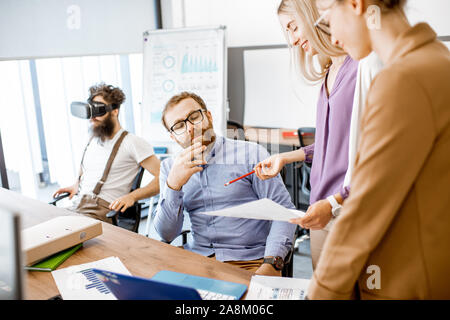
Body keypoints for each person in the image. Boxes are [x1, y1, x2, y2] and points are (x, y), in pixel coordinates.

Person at [307, 0, 450, 299]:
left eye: (328, 17)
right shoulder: (437, 59)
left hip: (406, 283)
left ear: (356, 4)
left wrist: (320, 292)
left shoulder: (403, 79)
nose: (332, 37)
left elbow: (365, 208)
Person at [254, 0, 383, 269]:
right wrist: (288, 157)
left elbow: (374, 152)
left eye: (293, 27)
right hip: (319, 210)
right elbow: (332, 142)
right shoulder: (328, 73)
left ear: (313, 17)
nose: (292, 40)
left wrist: (336, 203)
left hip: (348, 209)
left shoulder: (361, 67)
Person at [154, 91, 297, 276]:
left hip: (250, 260)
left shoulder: (251, 154)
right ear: (173, 137)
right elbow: (166, 234)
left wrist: (272, 264)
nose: (190, 129)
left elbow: (283, 211)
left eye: (194, 117)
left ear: (208, 116)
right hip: (197, 258)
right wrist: (173, 185)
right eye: (179, 126)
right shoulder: (169, 168)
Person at [53, 83, 160, 223]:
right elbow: (87, 170)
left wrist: (132, 197)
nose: (92, 117)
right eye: (91, 110)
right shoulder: (92, 140)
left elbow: (163, 178)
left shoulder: (132, 142)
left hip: (100, 213)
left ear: (115, 111)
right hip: (77, 206)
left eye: (99, 110)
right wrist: (76, 185)